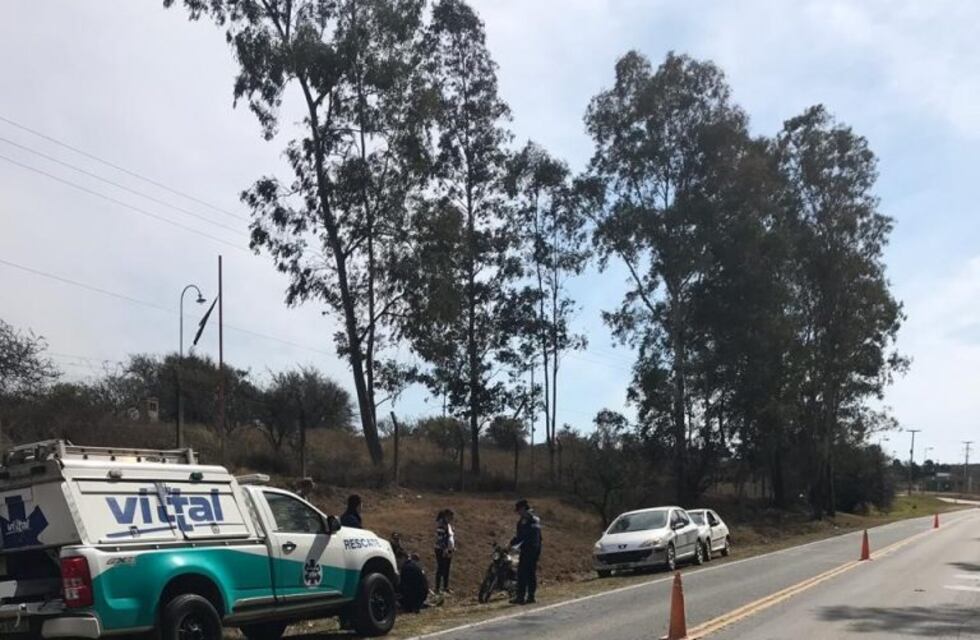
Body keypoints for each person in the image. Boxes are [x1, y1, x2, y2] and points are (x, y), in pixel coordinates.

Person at [509, 499, 542, 605]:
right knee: (530, 573)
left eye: (518, 510)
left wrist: (512, 544)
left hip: (529, 548)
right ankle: (530, 596)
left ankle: (521, 597)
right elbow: (536, 535)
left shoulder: (528, 519)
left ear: (523, 508)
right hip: (534, 548)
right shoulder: (534, 518)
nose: (518, 512)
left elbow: (523, 536)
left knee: (522, 573)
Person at [434, 509, 456, 594]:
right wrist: (444, 549)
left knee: (447, 568)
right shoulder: (441, 525)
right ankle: (437, 588)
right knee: (440, 568)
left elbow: (450, 537)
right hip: (441, 550)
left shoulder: (448, 525)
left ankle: (445, 587)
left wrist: (452, 548)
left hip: (448, 550)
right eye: (450, 516)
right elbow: (440, 539)